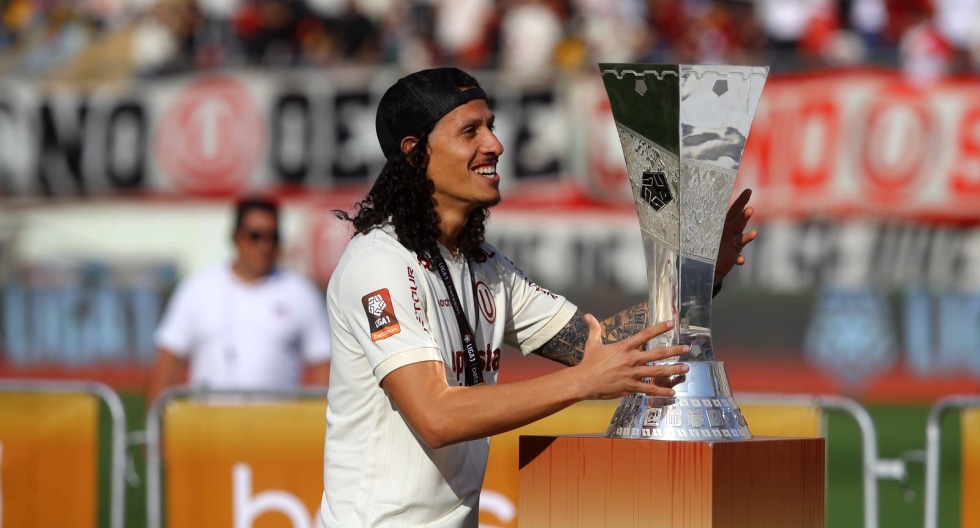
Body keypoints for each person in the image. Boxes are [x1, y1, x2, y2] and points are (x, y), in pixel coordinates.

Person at [321, 67, 756, 527]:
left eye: (490, 126)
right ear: (414, 154)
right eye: (470, 131)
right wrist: (584, 383)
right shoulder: (379, 263)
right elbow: (436, 416)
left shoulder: (483, 261)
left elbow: (596, 344)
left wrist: (696, 280)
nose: (495, 145)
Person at [146, 197, 331, 407]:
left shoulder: (300, 293)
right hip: (209, 426)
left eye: (273, 236)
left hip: (275, 429)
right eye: (255, 236)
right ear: (236, 237)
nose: (264, 245)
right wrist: (153, 431)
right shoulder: (197, 289)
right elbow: (168, 360)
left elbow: (322, 366)